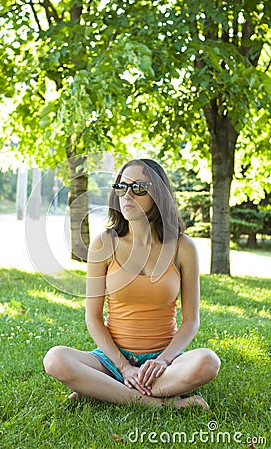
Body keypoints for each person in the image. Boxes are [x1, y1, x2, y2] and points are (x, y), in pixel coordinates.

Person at [43, 158, 220, 410]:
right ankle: (159, 404)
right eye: (121, 187)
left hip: (162, 363)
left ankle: (103, 389)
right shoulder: (104, 244)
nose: (127, 195)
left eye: (138, 188)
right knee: (55, 359)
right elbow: (93, 318)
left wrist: (163, 360)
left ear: (158, 195)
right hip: (111, 360)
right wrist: (123, 366)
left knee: (208, 362)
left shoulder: (184, 247)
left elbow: (191, 321)